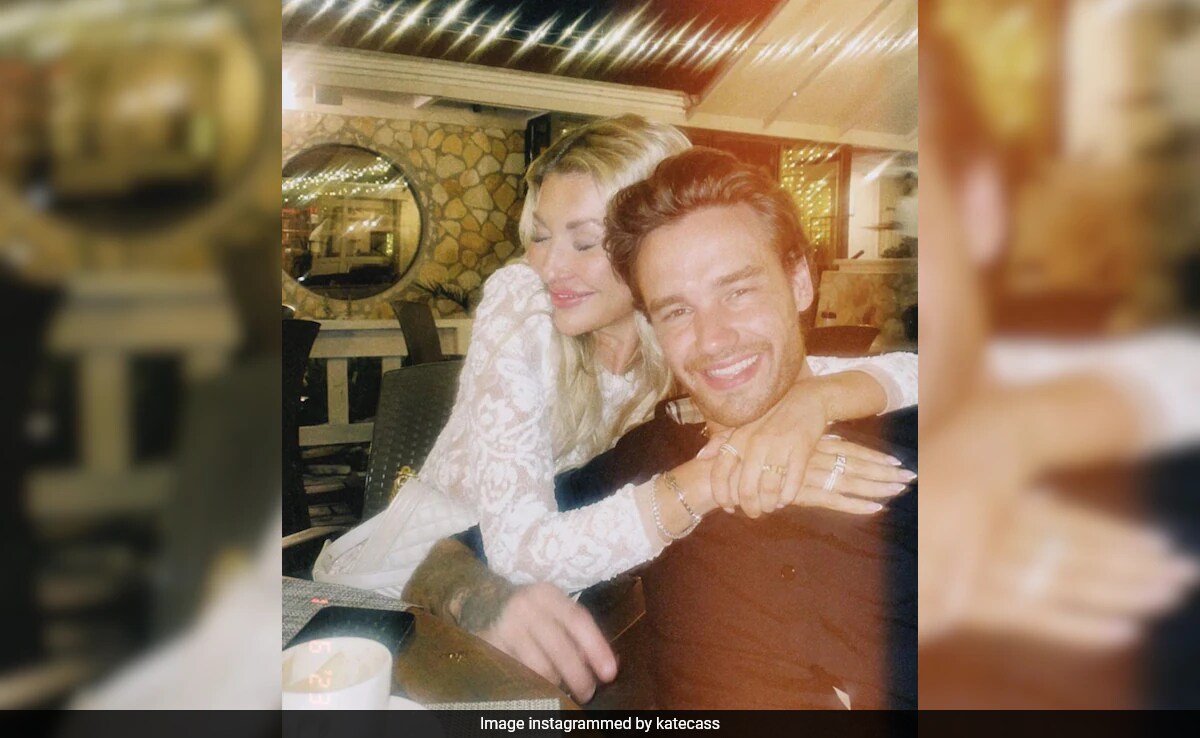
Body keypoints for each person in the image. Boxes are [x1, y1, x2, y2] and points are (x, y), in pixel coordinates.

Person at [313, 115, 918, 598]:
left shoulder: (676, 330)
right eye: (540, 235)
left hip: (585, 587)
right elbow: (515, 552)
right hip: (433, 579)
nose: (548, 265)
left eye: (585, 242)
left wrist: (814, 402)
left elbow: (920, 372)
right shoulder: (523, 301)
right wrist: (717, 478)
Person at [405, 147, 922, 707]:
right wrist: (484, 601)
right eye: (677, 311)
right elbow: (448, 559)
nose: (714, 339)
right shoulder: (652, 456)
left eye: (738, 291)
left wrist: (815, 404)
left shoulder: (918, 433)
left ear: (799, 281)